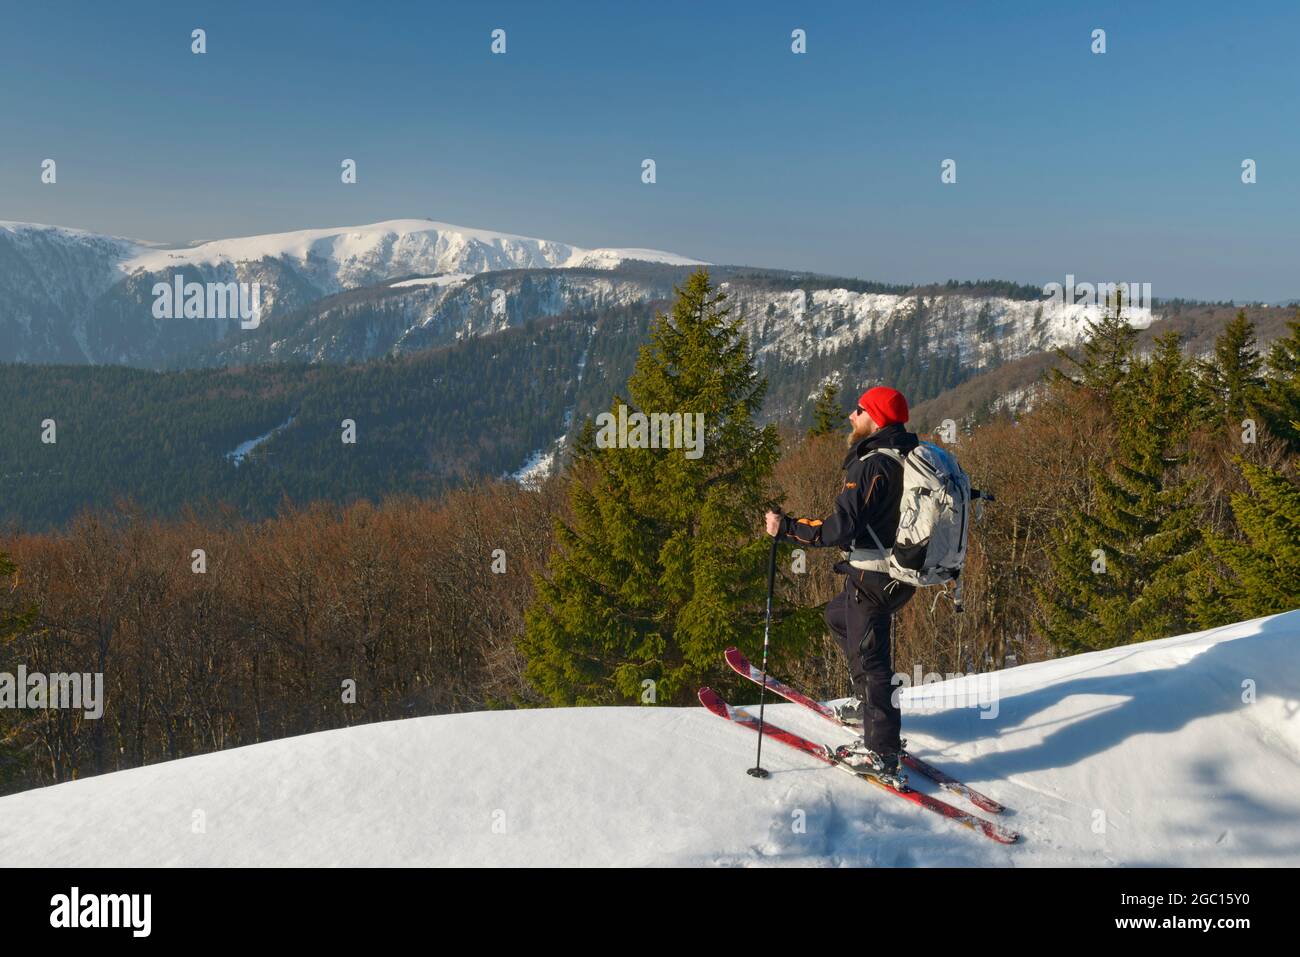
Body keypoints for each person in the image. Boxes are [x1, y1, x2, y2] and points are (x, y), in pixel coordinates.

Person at [764, 385, 918, 782]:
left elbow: (841, 528)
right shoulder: (908, 457)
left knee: (872, 660)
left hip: (874, 576)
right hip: (898, 574)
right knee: (837, 617)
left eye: (859, 409)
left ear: (876, 418)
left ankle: (882, 754)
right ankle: (866, 702)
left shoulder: (871, 465)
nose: (851, 415)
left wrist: (788, 529)